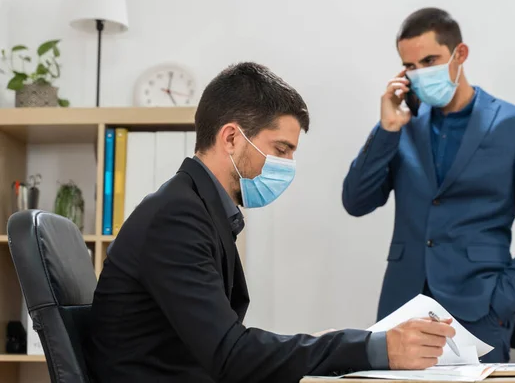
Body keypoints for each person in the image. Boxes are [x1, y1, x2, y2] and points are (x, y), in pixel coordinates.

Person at [84, 62, 455, 383]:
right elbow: (231, 355)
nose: (288, 165)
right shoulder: (176, 217)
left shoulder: (195, 208)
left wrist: (327, 343)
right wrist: (374, 347)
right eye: (281, 150)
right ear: (231, 137)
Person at [342, 8, 515, 363]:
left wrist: (503, 303)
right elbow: (356, 201)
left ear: (459, 54)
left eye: (430, 60)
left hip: (481, 309)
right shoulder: (403, 125)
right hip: (403, 307)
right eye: (410, 66)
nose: (420, 74)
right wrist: (386, 129)